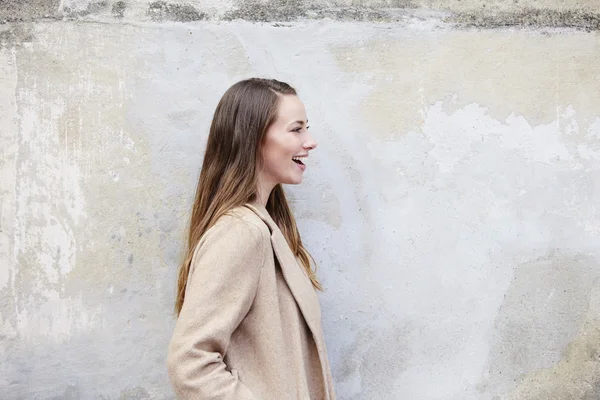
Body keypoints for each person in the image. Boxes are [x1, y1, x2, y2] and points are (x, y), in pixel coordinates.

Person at [167, 78, 336, 400]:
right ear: (255, 137)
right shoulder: (241, 232)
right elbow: (190, 362)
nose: (310, 141)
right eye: (296, 129)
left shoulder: (266, 227)